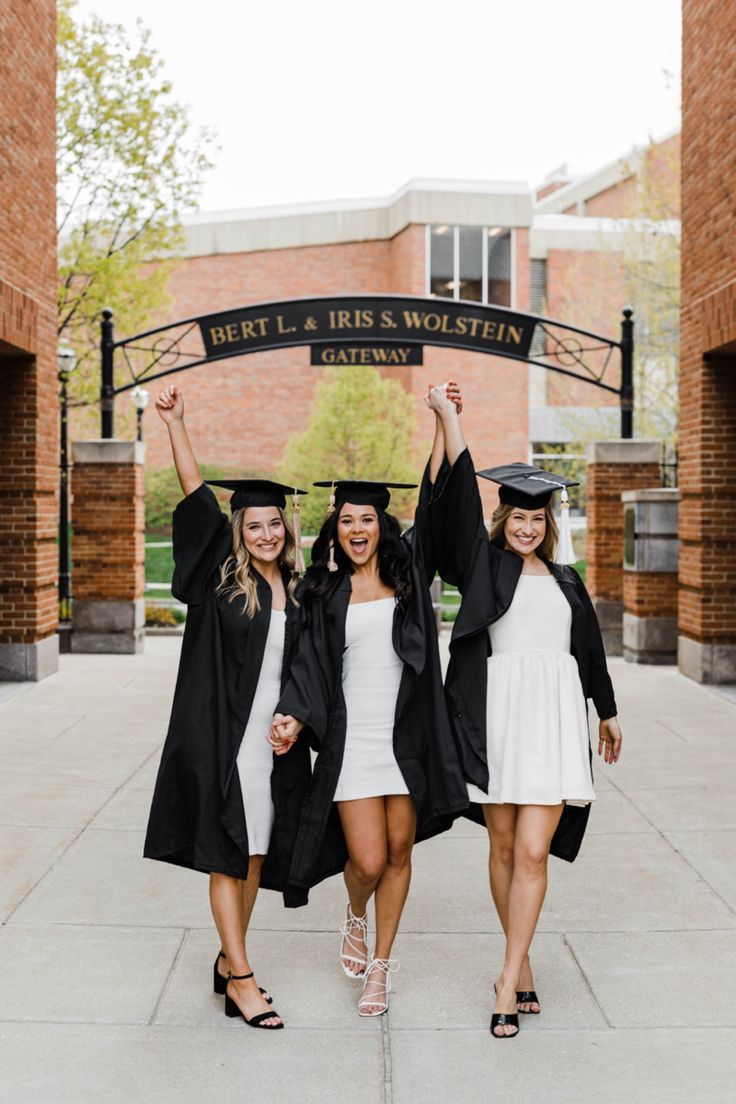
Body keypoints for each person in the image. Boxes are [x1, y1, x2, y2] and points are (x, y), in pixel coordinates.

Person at [420, 382, 623, 1039]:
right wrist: (450, 418)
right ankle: (523, 959)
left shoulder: (568, 579)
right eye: (518, 518)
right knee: (505, 847)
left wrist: (608, 712)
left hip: (556, 722)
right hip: (498, 721)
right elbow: (452, 513)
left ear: (549, 523)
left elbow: (588, 650)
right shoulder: (486, 568)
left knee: (534, 852)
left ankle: (505, 979)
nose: (528, 526)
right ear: (504, 521)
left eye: (538, 519)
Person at [143, 384, 312, 1031]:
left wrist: (297, 713)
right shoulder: (222, 572)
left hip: (274, 739)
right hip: (224, 736)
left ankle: (226, 957)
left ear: (284, 528)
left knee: (255, 854)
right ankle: (241, 977)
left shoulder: (298, 587)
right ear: (239, 530)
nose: (265, 533)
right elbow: (196, 499)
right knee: (226, 850)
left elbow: (308, 665)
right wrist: (177, 425)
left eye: (273, 523)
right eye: (254, 525)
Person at [269, 478, 468, 1017]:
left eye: (367, 520)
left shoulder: (409, 583)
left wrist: (442, 420)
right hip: (353, 742)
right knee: (368, 858)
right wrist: (291, 716)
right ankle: (355, 912)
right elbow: (307, 666)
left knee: (400, 853)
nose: (358, 529)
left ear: (383, 526)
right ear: (336, 527)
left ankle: (380, 967)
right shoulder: (324, 592)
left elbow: (437, 504)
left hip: (405, 739)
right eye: (348, 520)